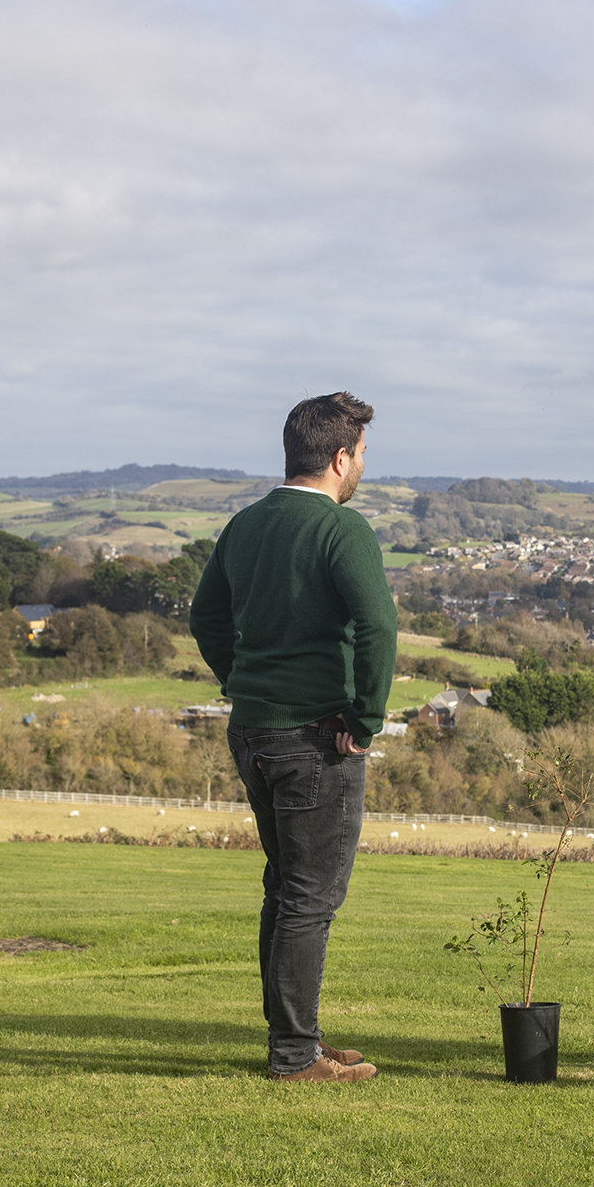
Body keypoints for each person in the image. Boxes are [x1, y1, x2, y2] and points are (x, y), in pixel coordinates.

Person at [190, 392, 396, 1083]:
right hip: (315, 737)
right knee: (310, 898)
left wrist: (241, 681)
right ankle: (293, 1054)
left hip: (252, 729)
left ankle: (297, 1038)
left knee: (284, 891)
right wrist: (364, 721)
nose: (364, 464)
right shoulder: (343, 530)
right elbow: (379, 629)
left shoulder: (245, 525)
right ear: (340, 458)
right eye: (363, 453)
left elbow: (206, 621)